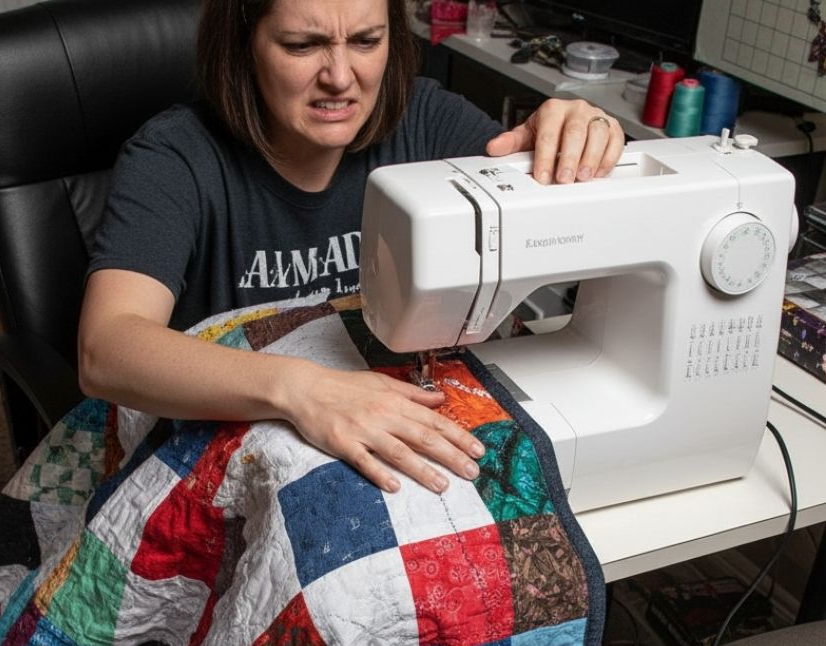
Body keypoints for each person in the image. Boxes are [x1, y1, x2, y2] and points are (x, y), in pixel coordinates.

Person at [79, 0, 623, 497]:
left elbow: (550, 212)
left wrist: (575, 137)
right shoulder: (174, 158)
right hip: (236, 446)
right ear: (243, 46)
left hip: (383, 427)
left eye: (366, 41)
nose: (341, 78)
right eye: (302, 45)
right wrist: (301, 390)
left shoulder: (425, 121)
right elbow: (106, 349)